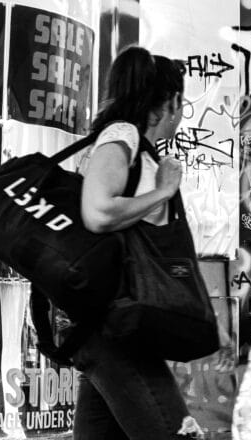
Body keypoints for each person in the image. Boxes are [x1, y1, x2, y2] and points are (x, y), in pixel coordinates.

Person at [74, 46, 203, 439]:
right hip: (117, 329)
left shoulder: (133, 145)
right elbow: (98, 210)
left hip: (110, 327)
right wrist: (163, 192)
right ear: (172, 101)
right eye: (183, 102)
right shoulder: (122, 134)